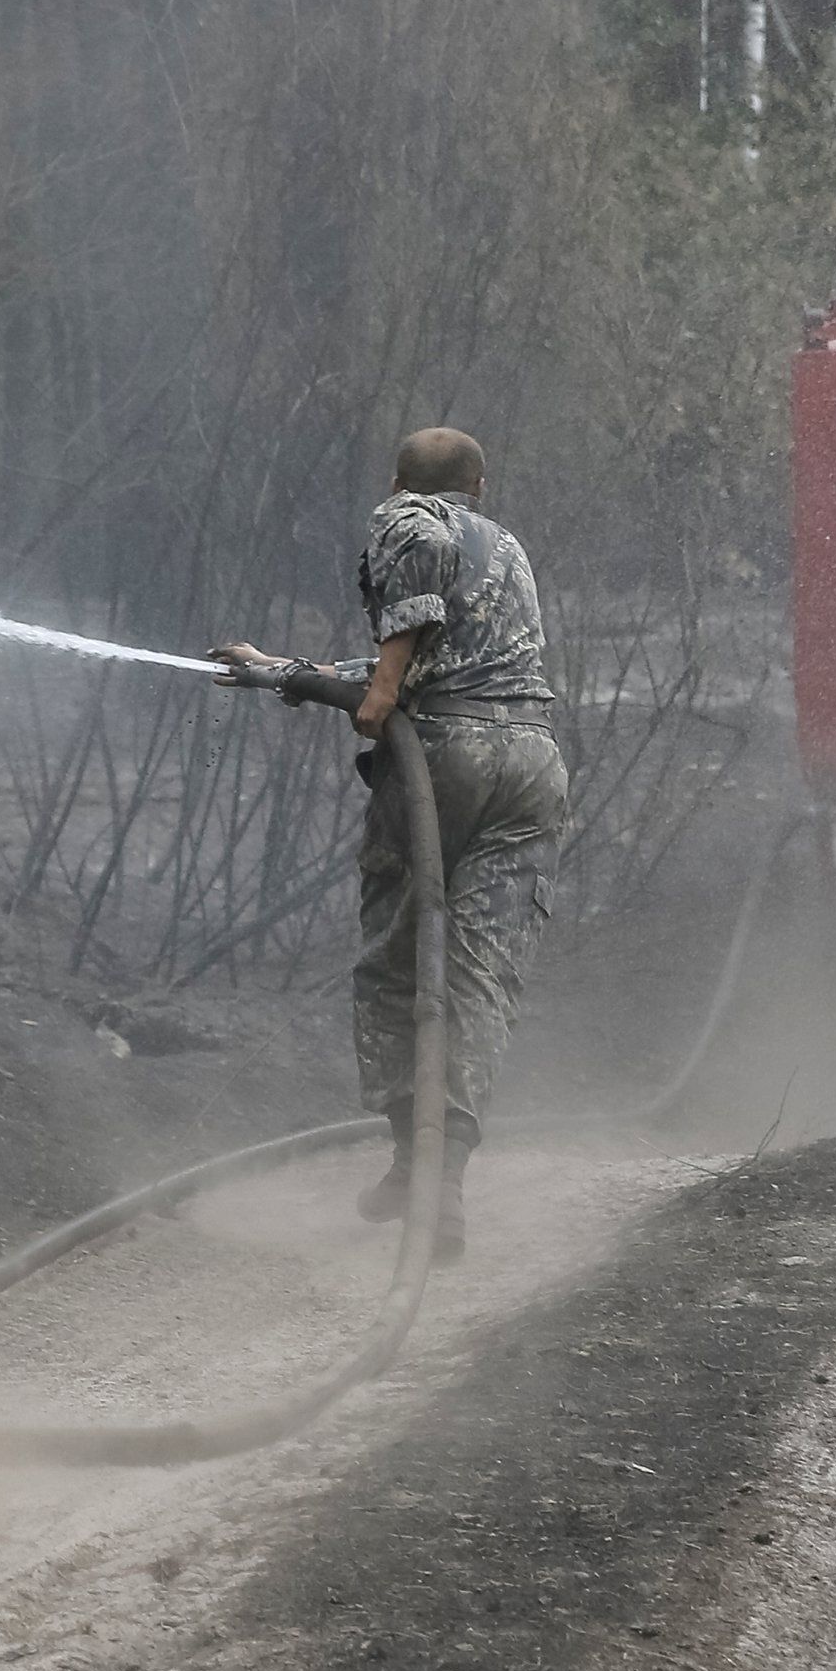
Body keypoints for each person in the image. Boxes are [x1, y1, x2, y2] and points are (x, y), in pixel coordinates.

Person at [211, 427, 567, 1260]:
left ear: (400, 478)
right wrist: (279, 670)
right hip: (531, 763)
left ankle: (415, 1158)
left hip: (444, 763)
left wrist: (375, 688)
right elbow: (430, 655)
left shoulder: (409, 519)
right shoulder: (503, 548)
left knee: (401, 959)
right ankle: (443, 1183)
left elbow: (402, 653)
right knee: (482, 973)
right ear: (480, 480)